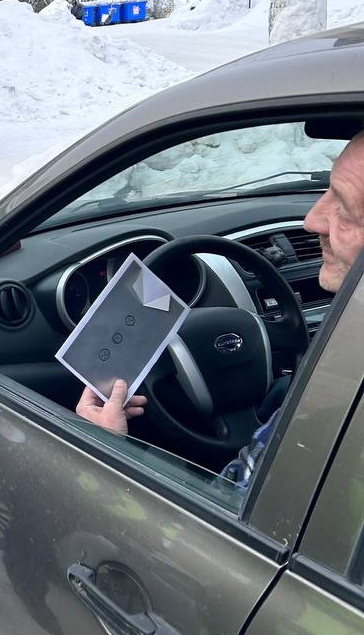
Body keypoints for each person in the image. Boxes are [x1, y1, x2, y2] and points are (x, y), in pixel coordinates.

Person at [76, 130, 364, 489]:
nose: (311, 221)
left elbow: (202, 527)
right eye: (327, 188)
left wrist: (105, 451)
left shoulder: (319, 427)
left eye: (345, 208)